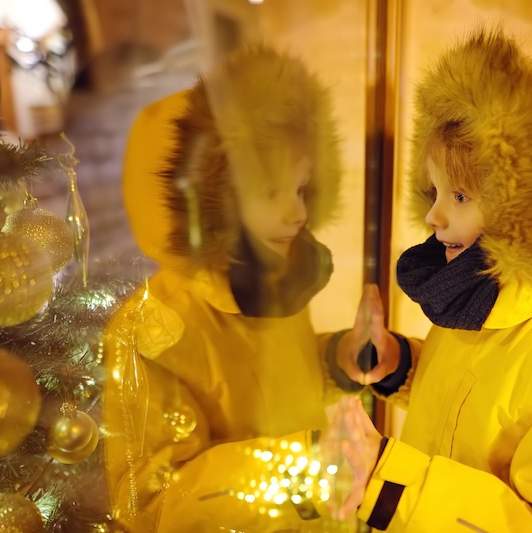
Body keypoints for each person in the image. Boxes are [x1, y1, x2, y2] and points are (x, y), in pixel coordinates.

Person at [328, 27, 532, 532]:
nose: (434, 216)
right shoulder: (481, 304)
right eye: (435, 190)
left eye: (460, 196)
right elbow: (470, 410)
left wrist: (390, 484)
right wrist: (399, 364)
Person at [102, 45, 366, 532]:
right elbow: (151, 496)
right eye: (270, 192)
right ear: (209, 203)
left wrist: (335, 361)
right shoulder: (153, 333)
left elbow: (274, 387)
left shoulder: (273, 285)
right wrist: (296, 465)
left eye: (301, 188)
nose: (298, 213)